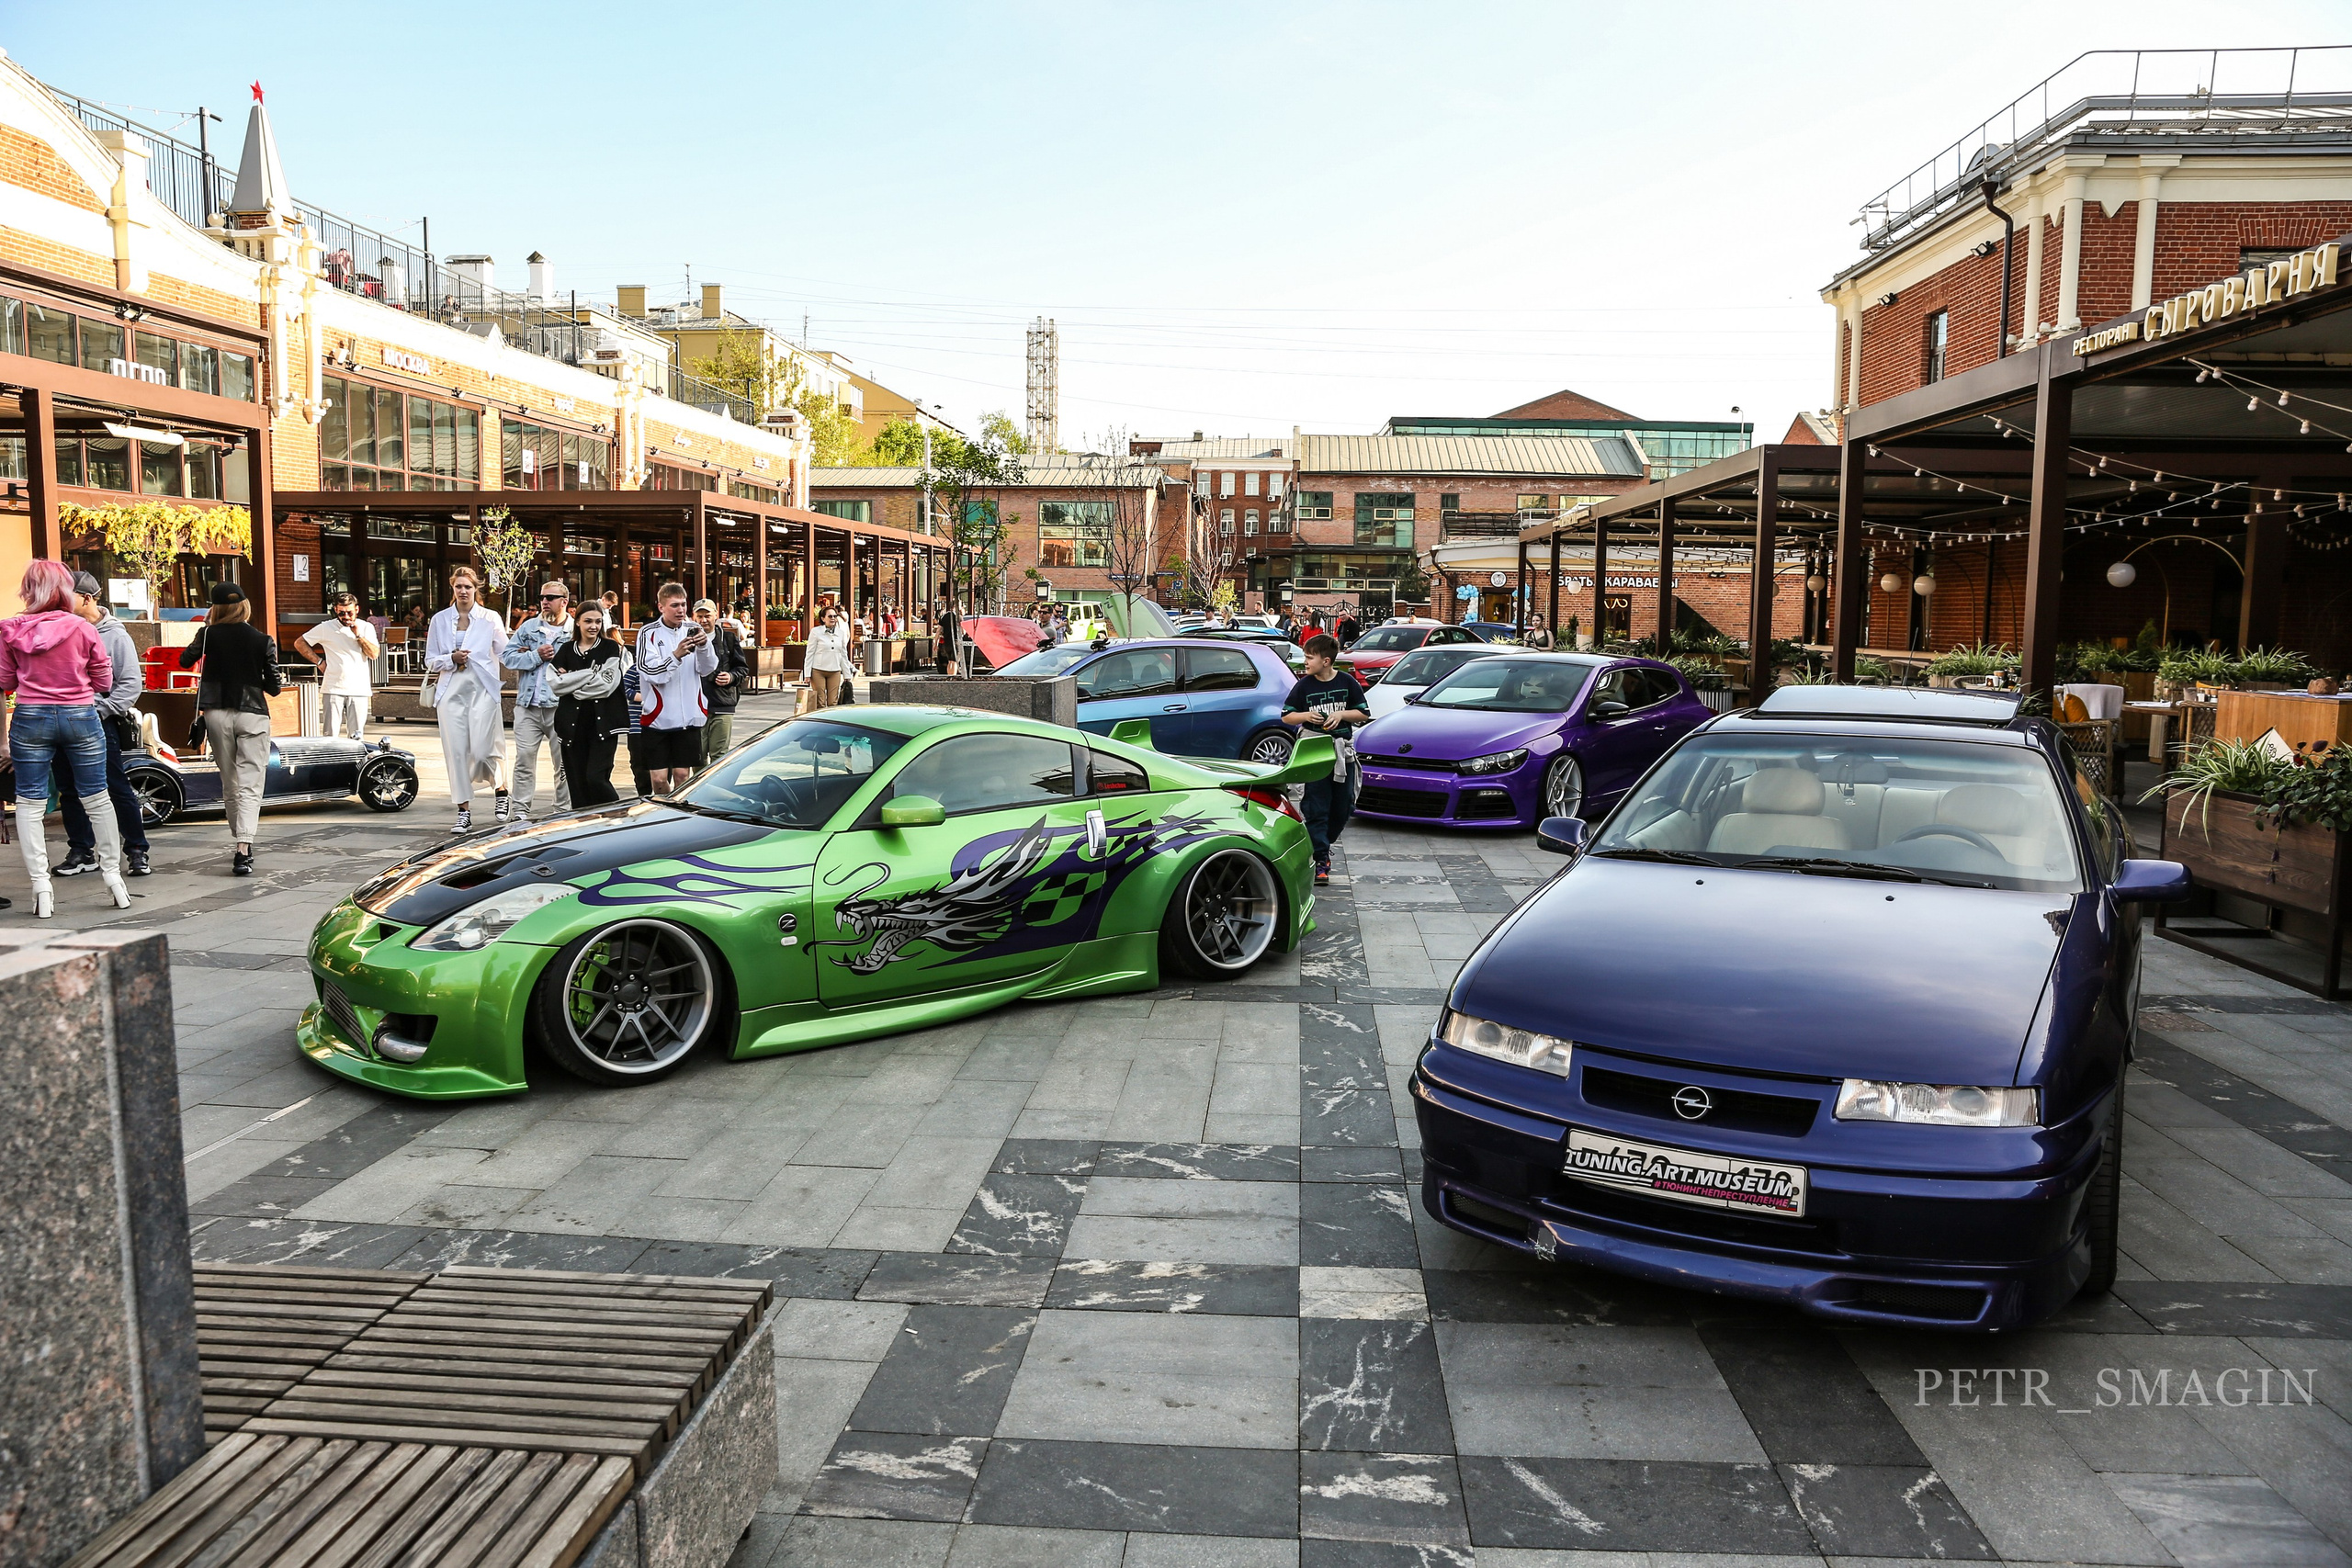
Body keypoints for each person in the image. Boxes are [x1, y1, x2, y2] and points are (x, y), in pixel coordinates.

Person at [0, 560, 126, 914]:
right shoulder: (83, 628)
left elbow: (6, 683)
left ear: (29, 590)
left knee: (29, 804)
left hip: (30, 717)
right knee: (98, 799)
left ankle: (42, 889)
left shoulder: (10, 630)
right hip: (79, 716)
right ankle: (114, 879)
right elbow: (104, 682)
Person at [177, 581, 281, 879]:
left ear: (216, 608)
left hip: (216, 714)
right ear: (244, 605)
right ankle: (243, 847)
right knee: (250, 782)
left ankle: (240, 838)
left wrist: (209, 629)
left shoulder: (208, 634)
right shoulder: (262, 639)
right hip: (253, 715)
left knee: (230, 780)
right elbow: (273, 686)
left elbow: (185, 661)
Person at [56, 572, 152, 881]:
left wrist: (101, 709)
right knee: (69, 788)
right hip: (62, 717)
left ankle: (137, 849)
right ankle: (81, 850)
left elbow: (130, 684)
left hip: (99, 721)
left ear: (86, 598)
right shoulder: (60, 628)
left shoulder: (115, 635)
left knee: (114, 784)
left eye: (66, 595)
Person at [424, 565, 510, 832]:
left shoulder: (489, 618)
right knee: (457, 752)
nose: (463, 591)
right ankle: (463, 811)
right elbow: (430, 659)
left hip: (482, 688)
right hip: (451, 690)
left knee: (485, 749)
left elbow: (506, 652)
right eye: (458, 587)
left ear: (476, 589)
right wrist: (451, 658)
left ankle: (501, 788)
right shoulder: (440, 619)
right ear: (453, 589)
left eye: (468, 587)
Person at [1281, 633, 1368, 887]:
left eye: (1310, 657)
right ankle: (1320, 860)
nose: (1305, 662)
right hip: (1313, 752)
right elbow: (1286, 716)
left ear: (1326, 661)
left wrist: (1341, 715)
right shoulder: (1304, 686)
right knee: (1316, 808)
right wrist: (1306, 715)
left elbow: (1362, 713)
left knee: (1344, 808)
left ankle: (1319, 845)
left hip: (1342, 753)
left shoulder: (1348, 683)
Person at [632, 581, 718, 795]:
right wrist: (675, 656)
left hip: (688, 717)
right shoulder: (648, 632)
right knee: (659, 780)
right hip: (657, 717)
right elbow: (648, 672)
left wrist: (705, 646)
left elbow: (708, 669)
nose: (681, 610)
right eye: (674, 605)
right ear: (661, 607)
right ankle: (663, 812)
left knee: (682, 776)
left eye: (683, 605)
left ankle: (679, 815)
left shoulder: (693, 629)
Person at [501, 581, 573, 820]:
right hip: (528, 705)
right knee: (523, 761)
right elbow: (508, 658)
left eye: (551, 597)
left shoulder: (574, 631)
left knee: (563, 764)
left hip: (560, 707)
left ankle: (562, 811)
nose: (544, 601)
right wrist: (535, 655)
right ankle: (520, 812)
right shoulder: (529, 627)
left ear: (564, 602)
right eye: (542, 596)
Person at [551, 604, 628, 808]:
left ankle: (616, 816)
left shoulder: (610, 647)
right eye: (588, 621)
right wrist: (591, 674)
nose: (593, 626)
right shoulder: (566, 649)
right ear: (577, 622)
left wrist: (572, 681)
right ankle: (583, 828)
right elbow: (555, 683)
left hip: (602, 726)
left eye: (597, 621)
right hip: (572, 726)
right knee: (577, 785)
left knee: (596, 778)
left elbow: (606, 685)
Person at [297, 592, 379, 742]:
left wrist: (358, 636)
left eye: (350, 612)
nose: (346, 617)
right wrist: (319, 662)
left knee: (357, 737)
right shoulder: (326, 627)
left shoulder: (366, 627)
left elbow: (374, 654)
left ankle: (354, 765)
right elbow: (300, 643)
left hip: (359, 689)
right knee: (330, 737)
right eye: (342, 613)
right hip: (333, 687)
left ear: (357, 609)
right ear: (335, 609)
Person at [695, 598, 749, 764]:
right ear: (694, 618)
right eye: (700, 616)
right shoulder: (688, 640)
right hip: (695, 706)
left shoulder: (729, 639)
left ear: (716, 615)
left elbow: (743, 669)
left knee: (719, 757)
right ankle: (698, 790)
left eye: (707, 615)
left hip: (723, 704)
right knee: (698, 757)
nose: (703, 620)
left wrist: (731, 677)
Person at [805, 603, 854, 709]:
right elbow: (809, 653)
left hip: (835, 671)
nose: (833, 618)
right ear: (823, 618)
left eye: (835, 616)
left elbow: (843, 655)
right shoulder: (816, 632)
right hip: (818, 670)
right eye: (830, 616)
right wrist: (807, 674)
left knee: (833, 703)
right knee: (820, 702)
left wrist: (847, 674)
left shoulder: (840, 633)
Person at [933, 597, 961, 674]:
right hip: (955, 642)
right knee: (955, 662)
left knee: (949, 661)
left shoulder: (944, 616)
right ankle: (953, 678)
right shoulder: (958, 617)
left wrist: (935, 643)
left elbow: (938, 630)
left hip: (946, 642)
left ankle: (949, 677)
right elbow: (963, 631)